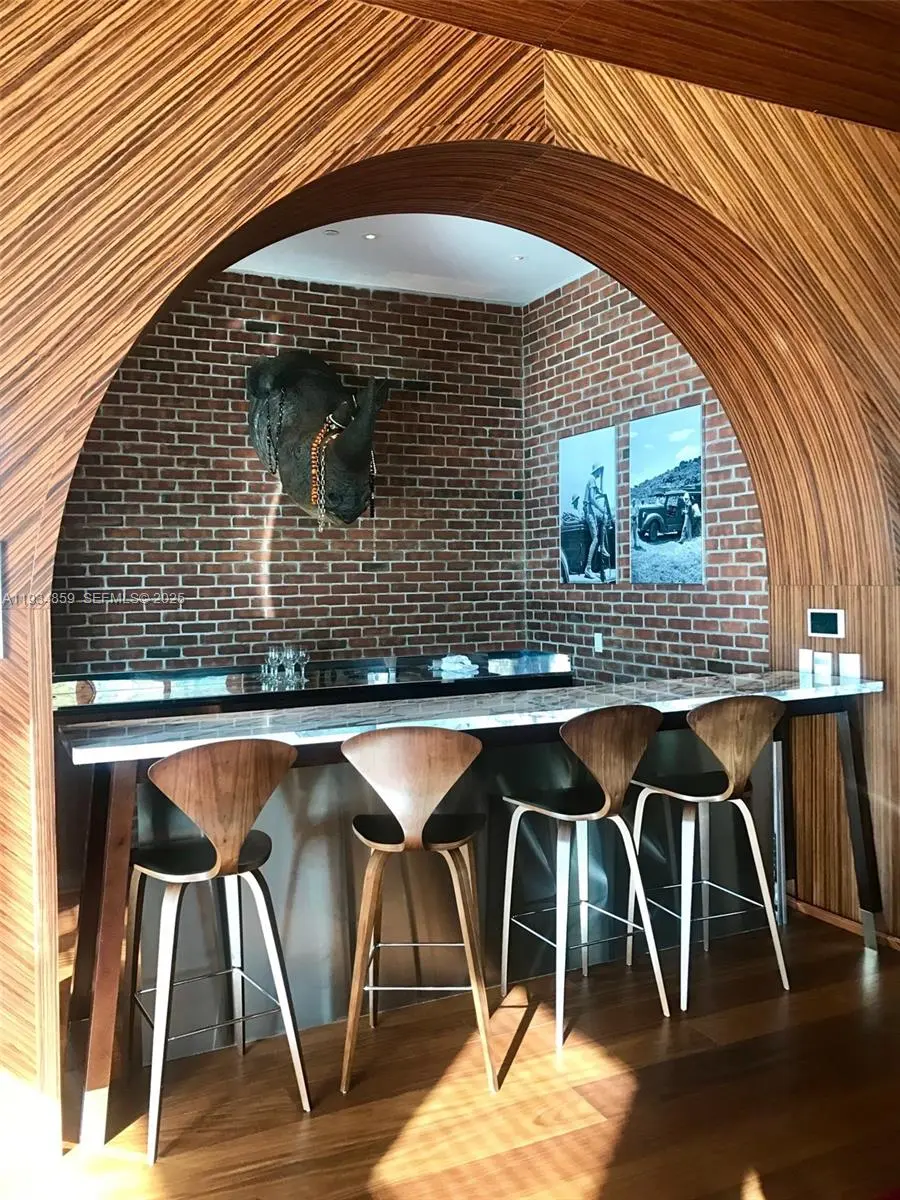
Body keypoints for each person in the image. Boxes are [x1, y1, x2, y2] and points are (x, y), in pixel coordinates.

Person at [583, 463, 613, 580]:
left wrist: (600, 492)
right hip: (589, 511)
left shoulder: (593, 481)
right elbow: (591, 499)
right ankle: (588, 568)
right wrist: (602, 509)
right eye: (600, 470)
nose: (601, 472)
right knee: (595, 539)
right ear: (597, 470)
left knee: (603, 521)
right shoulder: (591, 479)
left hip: (590, 511)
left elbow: (595, 495)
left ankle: (603, 547)